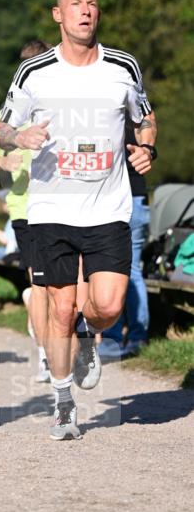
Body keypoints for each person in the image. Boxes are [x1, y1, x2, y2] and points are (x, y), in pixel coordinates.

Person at [0, 0, 156, 441]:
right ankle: (63, 401)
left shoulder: (122, 67)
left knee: (107, 305)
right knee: (60, 308)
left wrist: (147, 149)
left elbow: (146, 119)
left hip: (107, 207)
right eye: (76, 3)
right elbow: (2, 129)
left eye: (92, 3)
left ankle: (90, 330)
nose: (86, 10)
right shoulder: (34, 72)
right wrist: (18, 136)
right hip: (51, 208)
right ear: (58, 14)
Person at [0, 39, 51, 381]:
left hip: (69, 208)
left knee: (67, 286)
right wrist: (5, 159)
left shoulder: (69, 109)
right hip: (26, 211)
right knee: (42, 284)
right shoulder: (8, 117)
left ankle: (65, 343)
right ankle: (48, 354)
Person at [98, 112, 156, 360]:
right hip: (136, 200)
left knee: (112, 270)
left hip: (120, 201)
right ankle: (135, 337)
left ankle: (115, 338)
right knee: (130, 270)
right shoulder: (137, 113)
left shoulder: (102, 114)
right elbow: (149, 122)